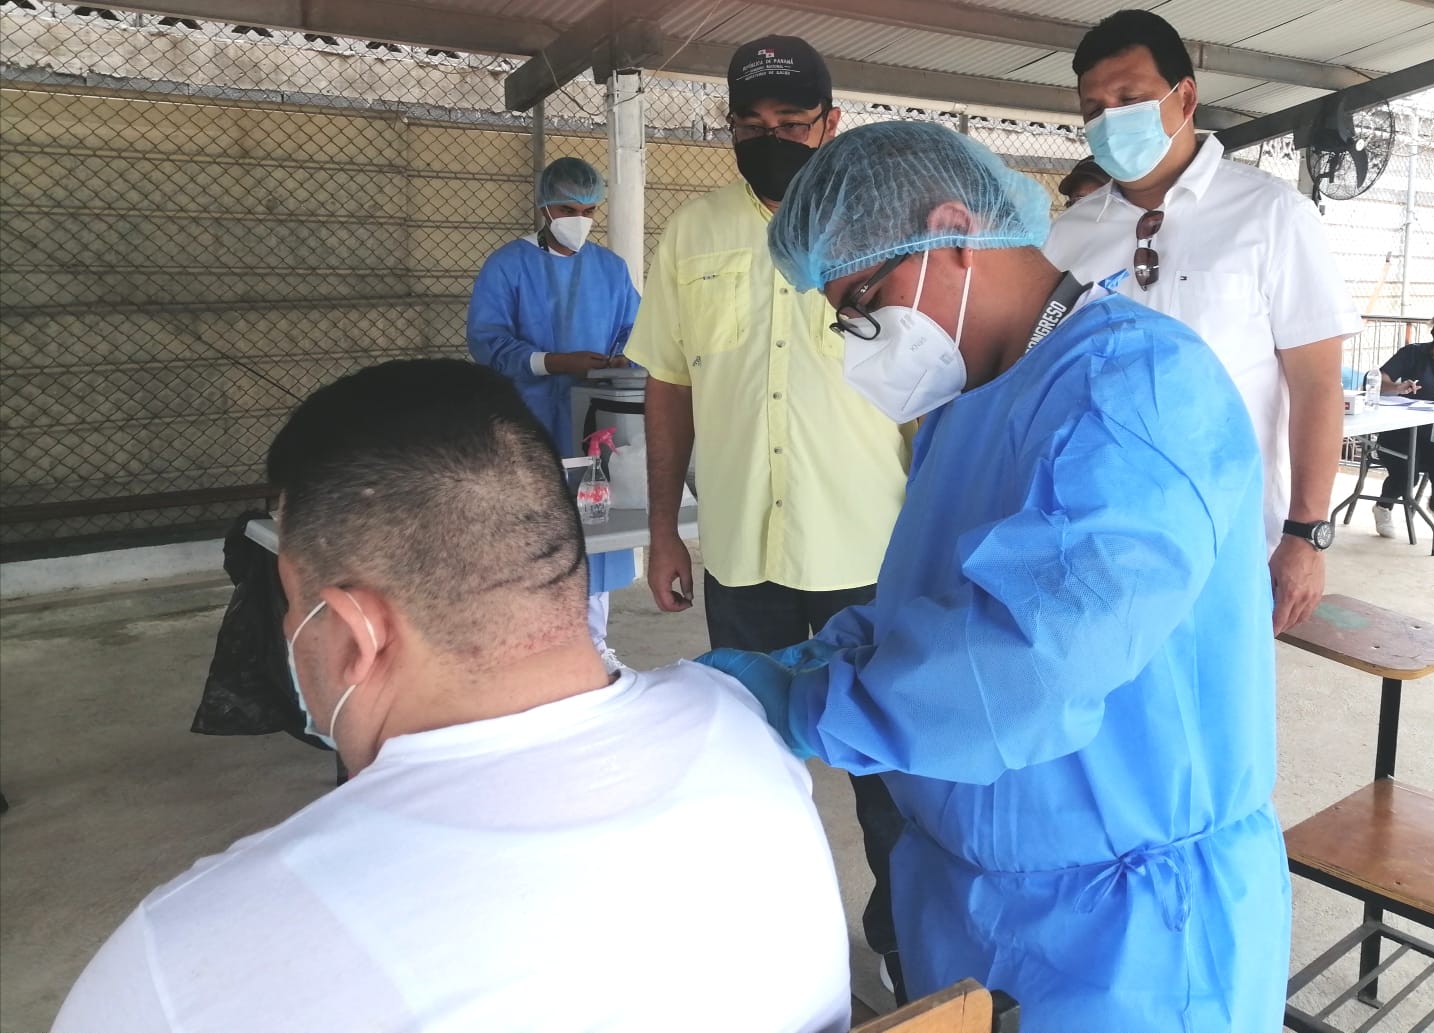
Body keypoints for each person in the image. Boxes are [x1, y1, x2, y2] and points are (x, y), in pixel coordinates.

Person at [53, 360, 852, 1033]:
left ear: (356, 632)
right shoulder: (742, 727)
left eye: (293, 604)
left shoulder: (182, 962)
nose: (289, 630)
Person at [700, 120, 1290, 1031]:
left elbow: (1032, 662)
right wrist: (812, 660)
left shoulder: (1136, 390)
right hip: (969, 896)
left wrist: (815, 705)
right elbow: (936, 603)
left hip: (1127, 931)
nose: (858, 340)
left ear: (952, 233)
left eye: (864, 300)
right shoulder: (975, 400)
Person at [623, 34, 913, 995]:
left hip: (866, 550)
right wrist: (662, 528)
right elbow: (669, 382)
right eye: (751, 125)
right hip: (743, 553)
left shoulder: (884, 226)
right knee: (752, 761)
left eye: (792, 122)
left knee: (890, 776)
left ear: (832, 124)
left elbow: (932, 391)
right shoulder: (694, 233)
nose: (771, 139)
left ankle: (908, 950)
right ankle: (773, 958)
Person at [1044, 9, 1360, 635]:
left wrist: (1306, 532)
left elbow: (1318, 385)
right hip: (1094, 534)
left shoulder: (1270, 215)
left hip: (1229, 536)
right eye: (1094, 109)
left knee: (1217, 689)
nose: (1110, 121)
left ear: (1184, 97)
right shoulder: (1070, 235)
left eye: (1129, 99)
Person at [467, 157, 638, 668]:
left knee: (597, 529)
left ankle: (594, 647)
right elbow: (488, 340)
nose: (579, 220)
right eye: (567, 209)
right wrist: (554, 362)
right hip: (531, 419)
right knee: (532, 529)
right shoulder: (508, 265)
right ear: (544, 207)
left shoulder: (610, 269)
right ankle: (528, 648)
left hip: (596, 423)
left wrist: (623, 359)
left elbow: (634, 330)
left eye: (589, 211)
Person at [1372, 310, 1434, 536]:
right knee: (1408, 473)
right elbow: (1378, 381)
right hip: (1400, 433)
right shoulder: (1413, 354)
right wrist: (1396, 388)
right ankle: (1383, 507)